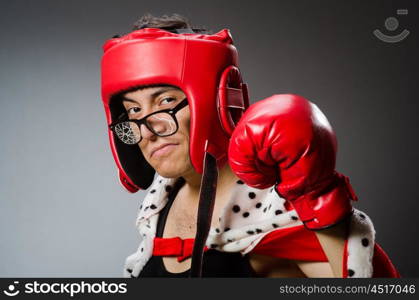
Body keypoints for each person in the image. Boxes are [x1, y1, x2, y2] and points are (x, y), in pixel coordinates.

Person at [100, 13, 399, 278]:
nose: (149, 131)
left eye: (165, 101)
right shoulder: (158, 207)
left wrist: (317, 198)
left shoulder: (273, 207)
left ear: (216, 102)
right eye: (134, 111)